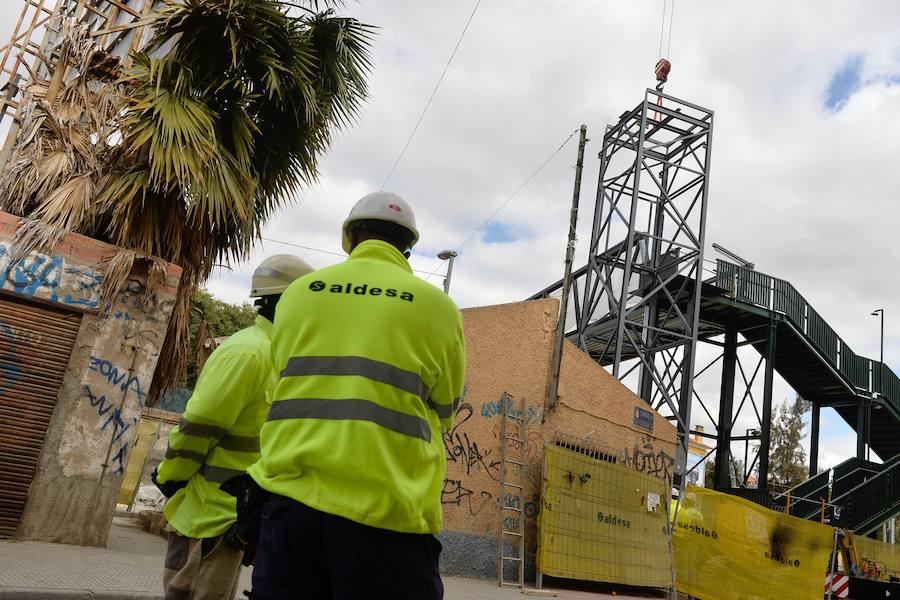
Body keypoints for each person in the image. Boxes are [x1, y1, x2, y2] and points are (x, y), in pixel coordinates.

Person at [248, 192, 466, 600]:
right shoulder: (440, 307)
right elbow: (446, 407)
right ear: (409, 246)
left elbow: (283, 378)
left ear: (349, 237)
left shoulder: (298, 293)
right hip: (388, 517)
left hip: (290, 509)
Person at [153, 254, 314, 600]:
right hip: (207, 516)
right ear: (287, 302)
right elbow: (199, 426)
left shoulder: (276, 355)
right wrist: (171, 476)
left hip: (231, 519)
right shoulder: (249, 352)